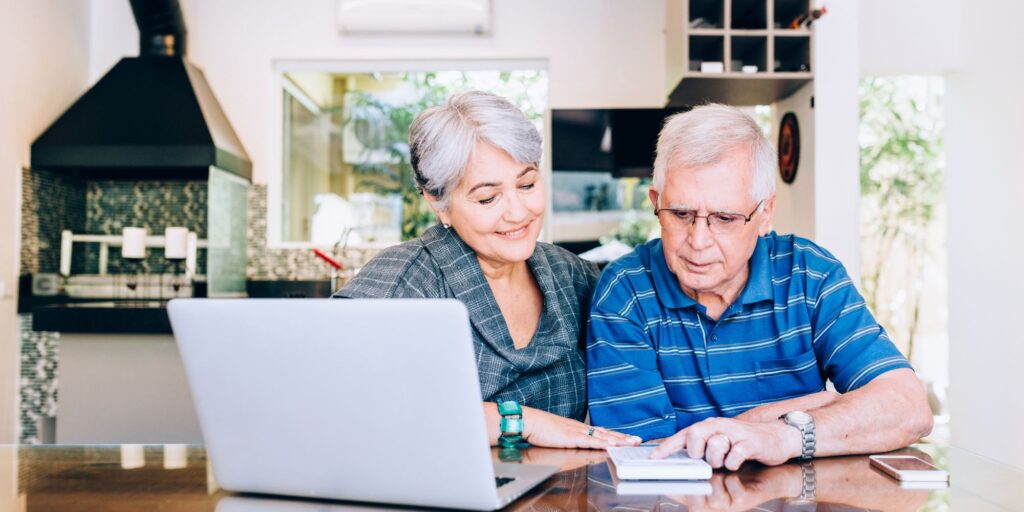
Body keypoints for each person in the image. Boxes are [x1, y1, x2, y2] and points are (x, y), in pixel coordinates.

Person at [586, 104, 932, 469]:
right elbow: (649, 456)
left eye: (725, 218)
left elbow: (908, 408)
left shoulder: (810, 274)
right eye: (681, 214)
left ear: (765, 213)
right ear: (657, 203)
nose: (698, 240)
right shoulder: (624, 293)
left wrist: (782, 436)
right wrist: (817, 405)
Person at [336, 91, 639, 449]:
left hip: (559, 496)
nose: (517, 212)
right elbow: (337, 405)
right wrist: (519, 421)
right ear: (439, 202)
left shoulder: (573, 277)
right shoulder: (403, 283)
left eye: (526, 184)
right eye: (487, 198)